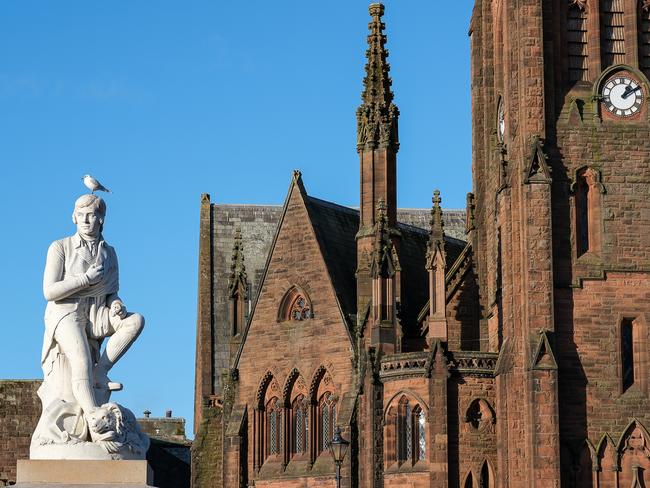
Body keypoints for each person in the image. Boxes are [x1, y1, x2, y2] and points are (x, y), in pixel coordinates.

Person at [41, 194, 144, 416]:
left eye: (92, 215)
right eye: (81, 215)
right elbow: (49, 291)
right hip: (66, 312)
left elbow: (111, 291)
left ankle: (101, 372)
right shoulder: (60, 247)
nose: (86, 220)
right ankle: (92, 414)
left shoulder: (110, 252)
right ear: (73, 218)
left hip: (97, 312)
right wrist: (85, 279)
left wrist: (116, 304)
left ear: (102, 219)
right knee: (81, 359)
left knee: (136, 321)